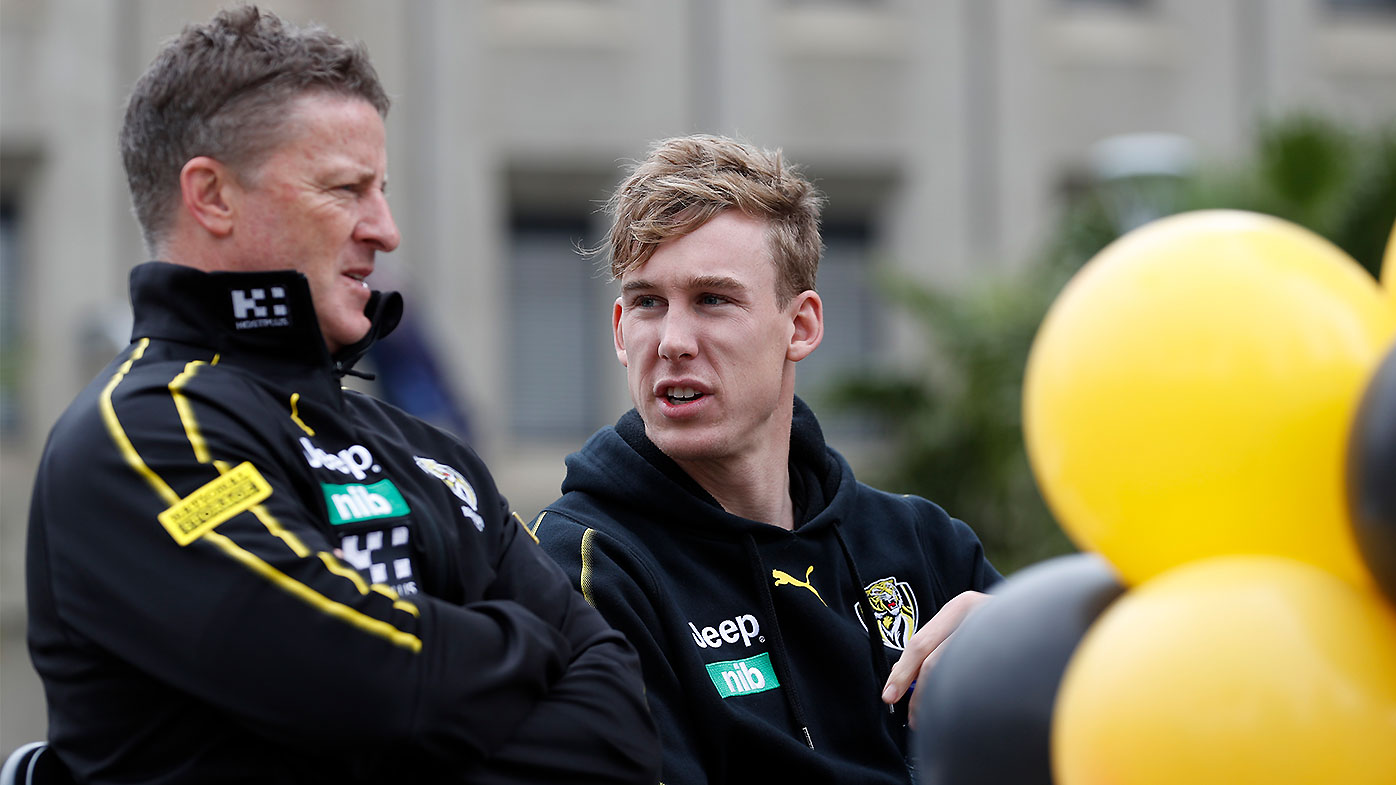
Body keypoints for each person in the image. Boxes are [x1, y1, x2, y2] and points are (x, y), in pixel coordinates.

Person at [24, 7, 658, 784]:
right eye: (346, 189)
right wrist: (531, 640)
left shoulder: (428, 451)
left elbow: (622, 714)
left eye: (382, 189)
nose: (386, 229)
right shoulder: (137, 437)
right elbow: (378, 686)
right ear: (212, 196)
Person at [532, 134, 1003, 784]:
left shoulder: (924, 546)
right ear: (619, 329)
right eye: (647, 303)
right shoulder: (580, 569)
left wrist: (1027, 644)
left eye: (713, 300)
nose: (671, 341)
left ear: (801, 325)